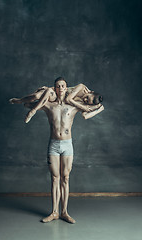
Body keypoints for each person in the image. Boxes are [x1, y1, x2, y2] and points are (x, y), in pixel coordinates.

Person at [29, 77, 104, 224]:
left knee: (66, 178)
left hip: (67, 145)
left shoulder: (75, 104)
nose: (60, 89)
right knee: (55, 178)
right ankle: (54, 212)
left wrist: (100, 108)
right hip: (54, 145)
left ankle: (64, 212)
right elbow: (29, 103)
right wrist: (41, 92)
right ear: (55, 88)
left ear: (66, 87)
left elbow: (90, 109)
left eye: (63, 86)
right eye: (57, 86)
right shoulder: (49, 104)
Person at [9, 82, 103, 123]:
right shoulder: (81, 87)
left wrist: (98, 109)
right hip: (55, 94)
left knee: (29, 104)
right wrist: (83, 107)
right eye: (87, 98)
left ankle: (30, 105)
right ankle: (19, 101)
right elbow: (68, 99)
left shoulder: (86, 103)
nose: (85, 100)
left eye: (87, 102)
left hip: (57, 103)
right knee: (36, 96)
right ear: (91, 92)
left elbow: (85, 116)